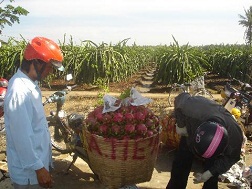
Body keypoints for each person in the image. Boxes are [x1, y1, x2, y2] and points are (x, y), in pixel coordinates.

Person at [4, 36, 64, 189]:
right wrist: (39, 169)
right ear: (36, 62)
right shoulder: (19, 91)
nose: (50, 72)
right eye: (49, 67)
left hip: (36, 167)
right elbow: (21, 137)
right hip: (29, 175)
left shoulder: (31, 85)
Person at [166, 92, 243, 189]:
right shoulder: (191, 109)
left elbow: (230, 158)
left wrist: (209, 173)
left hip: (215, 150)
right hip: (190, 132)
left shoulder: (235, 139)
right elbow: (180, 98)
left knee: (212, 175)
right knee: (180, 166)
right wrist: (181, 125)